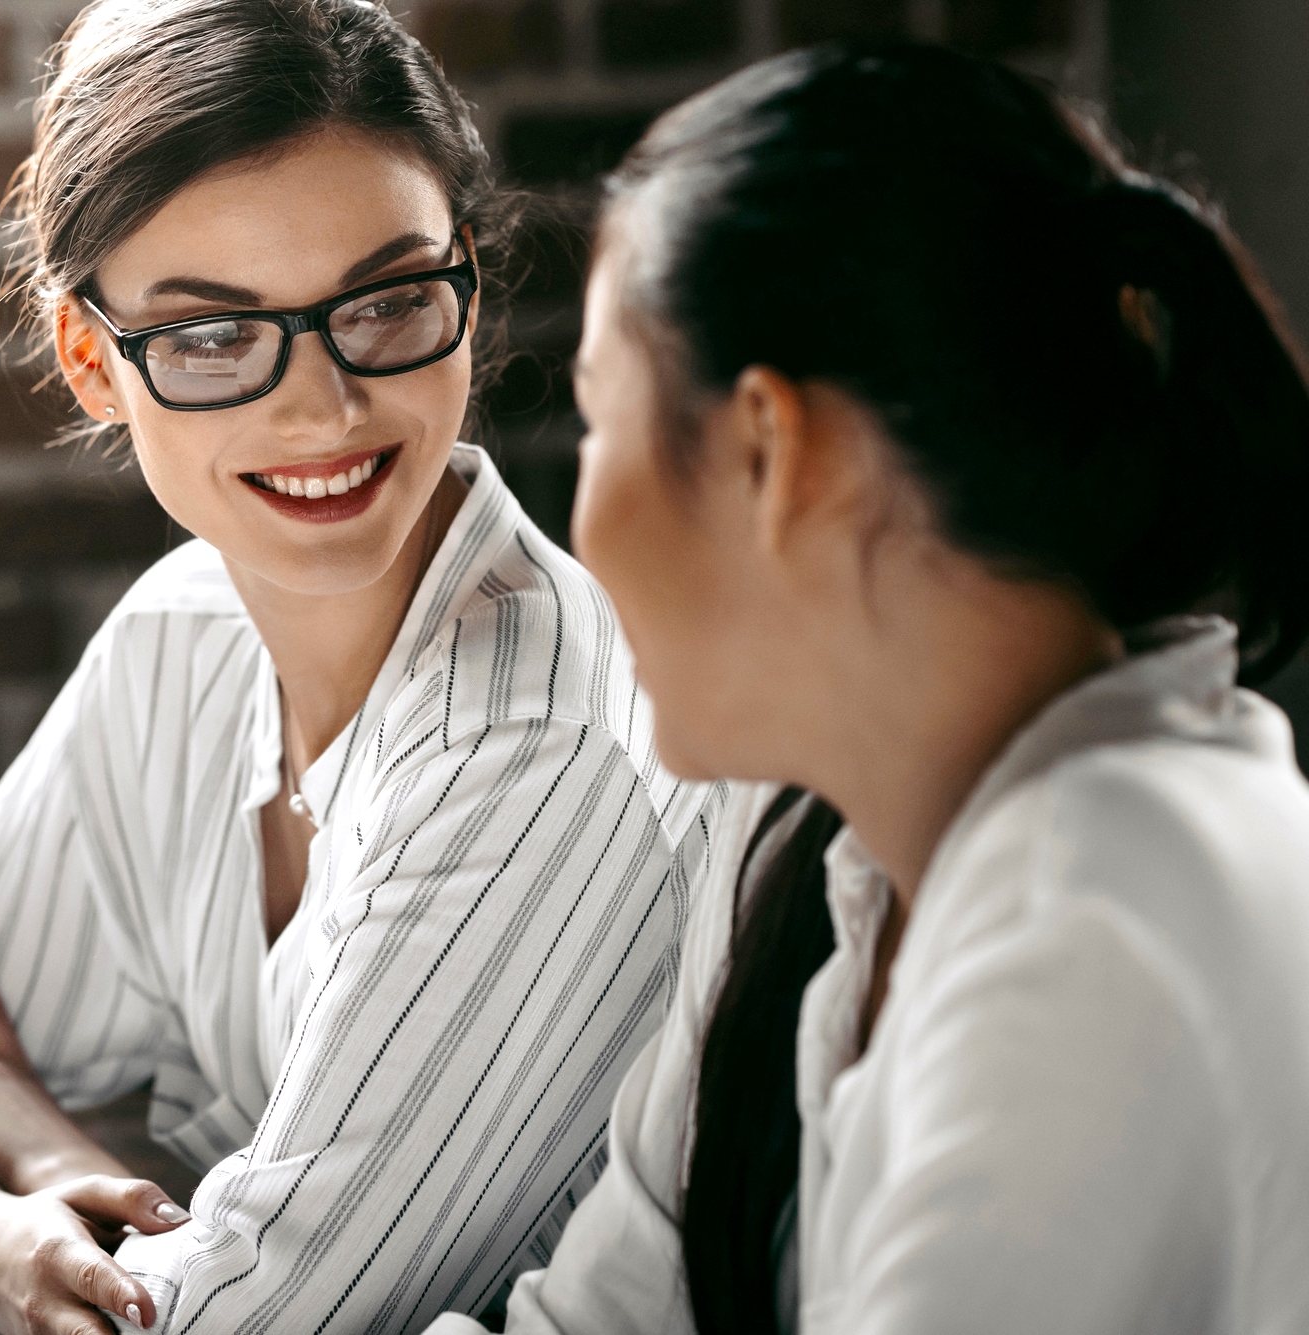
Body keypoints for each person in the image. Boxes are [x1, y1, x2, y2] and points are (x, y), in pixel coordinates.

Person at [0, 1, 720, 1331]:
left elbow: (245, 1327)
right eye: (213, 336)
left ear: (469, 288)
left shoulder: (537, 743)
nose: (322, 406)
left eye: (384, 303)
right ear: (95, 362)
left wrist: (51, 1155)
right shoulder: (175, 639)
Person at [429, 40, 1309, 1335]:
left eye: (600, 418)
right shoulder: (808, 845)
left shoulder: (1093, 922)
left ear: (775, 452)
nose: (579, 521)